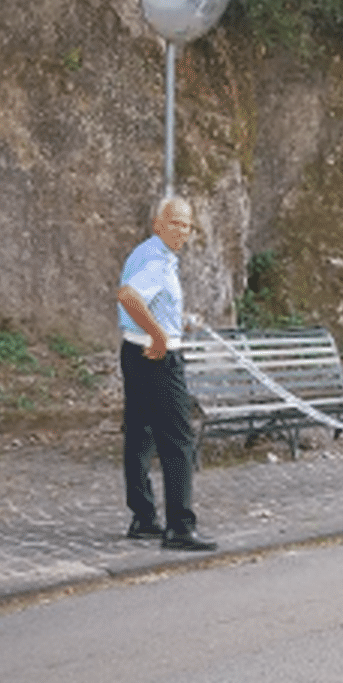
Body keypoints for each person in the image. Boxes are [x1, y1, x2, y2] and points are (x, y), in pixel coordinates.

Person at [116, 195, 217, 551]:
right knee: (178, 441)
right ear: (158, 223)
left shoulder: (143, 253)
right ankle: (179, 526)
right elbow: (128, 296)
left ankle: (143, 518)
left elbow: (143, 301)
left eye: (188, 225)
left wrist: (176, 324)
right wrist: (160, 335)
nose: (182, 231)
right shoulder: (158, 260)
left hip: (133, 350)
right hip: (158, 358)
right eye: (175, 222)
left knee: (140, 435)